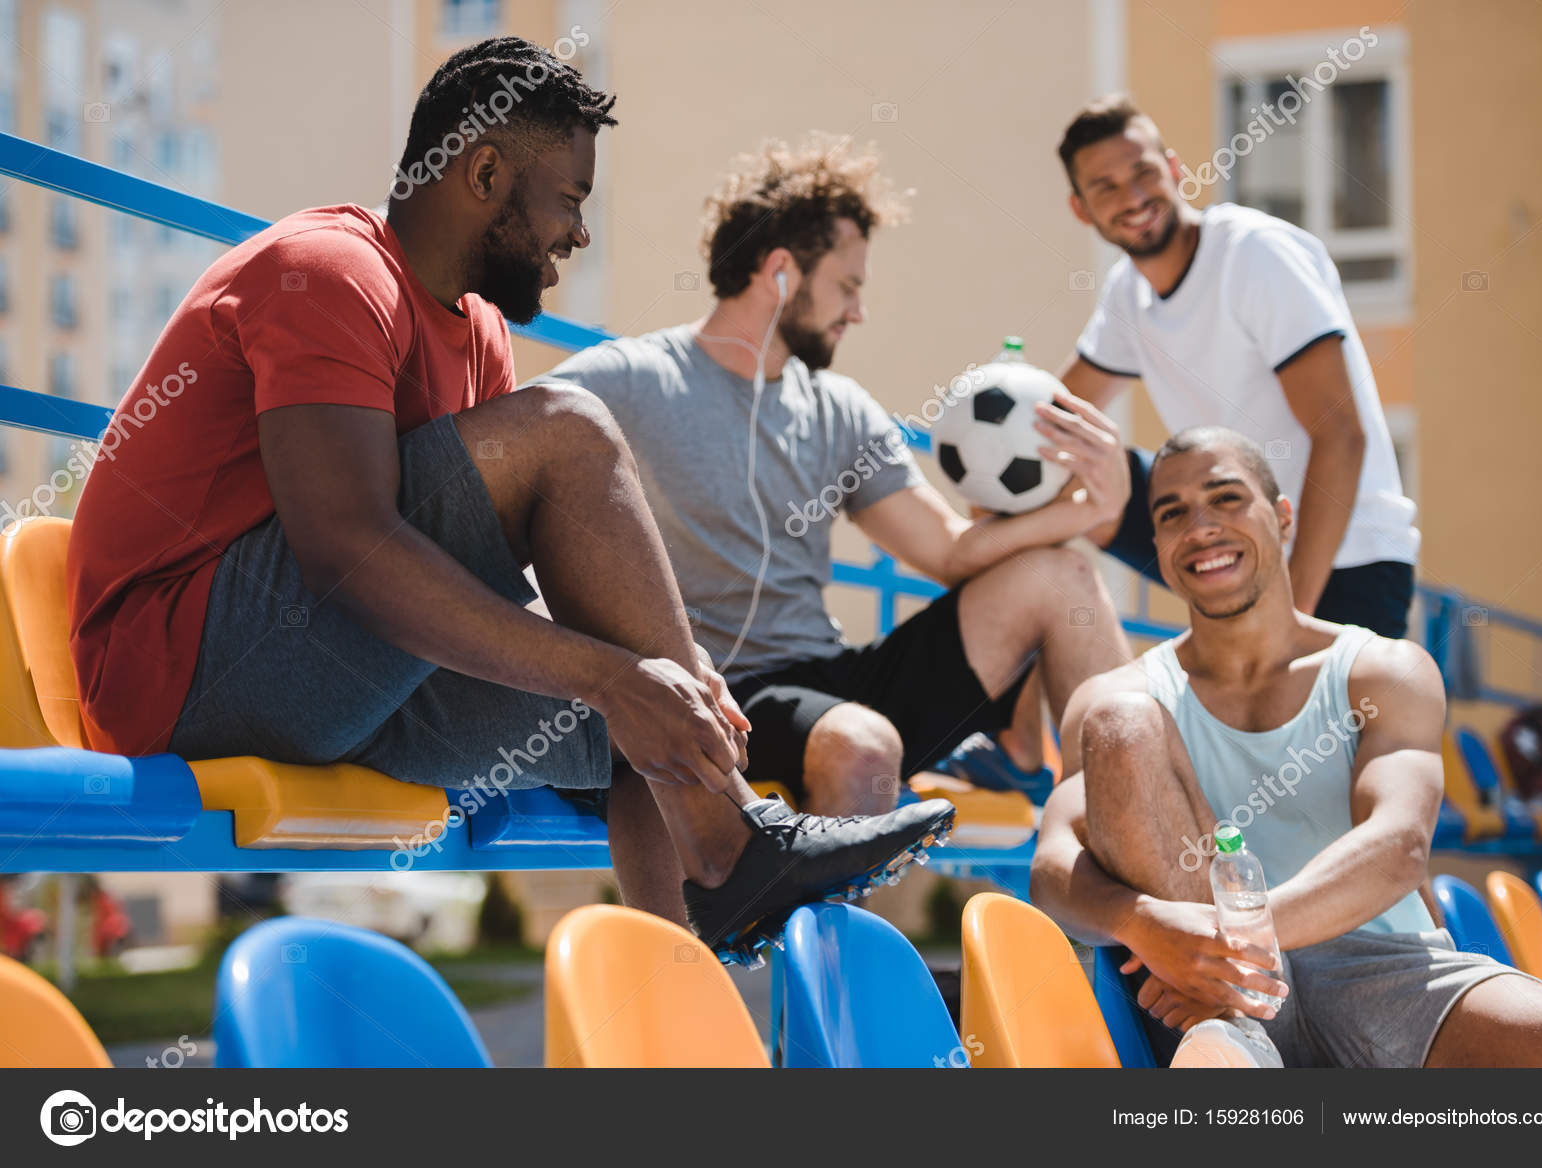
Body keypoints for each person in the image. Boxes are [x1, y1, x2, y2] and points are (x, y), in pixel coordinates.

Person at [65, 37, 952, 964]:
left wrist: (670, 672)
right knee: (572, 434)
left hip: (334, 672)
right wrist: (611, 673)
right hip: (182, 672)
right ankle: (738, 846)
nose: (579, 233)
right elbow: (344, 542)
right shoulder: (327, 271)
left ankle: (688, 1013)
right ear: (485, 172)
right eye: (568, 199)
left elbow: (468, 583)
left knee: (640, 722)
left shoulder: (480, 330)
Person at [539, 136, 1133, 818]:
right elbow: (510, 444)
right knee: (859, 744)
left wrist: (1090, 507)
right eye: (848, 287)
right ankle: (831, 930)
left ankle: (1125, 855)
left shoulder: (841, 407)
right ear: (782, 273)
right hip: (725, 699)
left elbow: (948, 552)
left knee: (1063, 578)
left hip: (835, 684)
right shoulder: (632, 378)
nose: (859, 310)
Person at [1029, 426, 1542, 1067]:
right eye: (1172, 513)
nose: (1200, 527)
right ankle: (1233, 1041)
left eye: (1226, 499)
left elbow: (1399, 846)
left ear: (1282, 517)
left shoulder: (1382, 671)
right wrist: (1140, 923)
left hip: (1380, 967)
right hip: (1215, 997)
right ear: (1158, 545)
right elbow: (1052, 867)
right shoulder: (1119, 695)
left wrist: (1236, 935)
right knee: (1119, 722)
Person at [946, 92, 1423, 797]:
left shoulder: (1255, 255)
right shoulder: (1127, 297)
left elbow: (1341, 434)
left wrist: (1290, 623)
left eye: (1141, 172)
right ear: (1083, 209)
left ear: (1173, 168)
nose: (1131, 196)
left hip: (1343, 554)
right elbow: (1052, 422)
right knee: (1031, 495)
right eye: (1104, 186)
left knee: (1322, 806)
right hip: (1218, 523)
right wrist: (986, 474)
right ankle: (1017, 742)